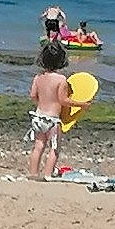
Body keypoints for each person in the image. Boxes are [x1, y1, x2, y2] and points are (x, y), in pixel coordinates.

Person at [26, 39, 72, 178]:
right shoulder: (61, 79)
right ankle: (47, 174)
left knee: (38, 146)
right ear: (62, 60)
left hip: (38, 116)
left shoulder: (38, 77)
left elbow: (33, 95)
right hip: (53, 120)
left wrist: (42, 102)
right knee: (55, 148)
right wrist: (81, 104)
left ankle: (33, 174)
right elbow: (63, 100)